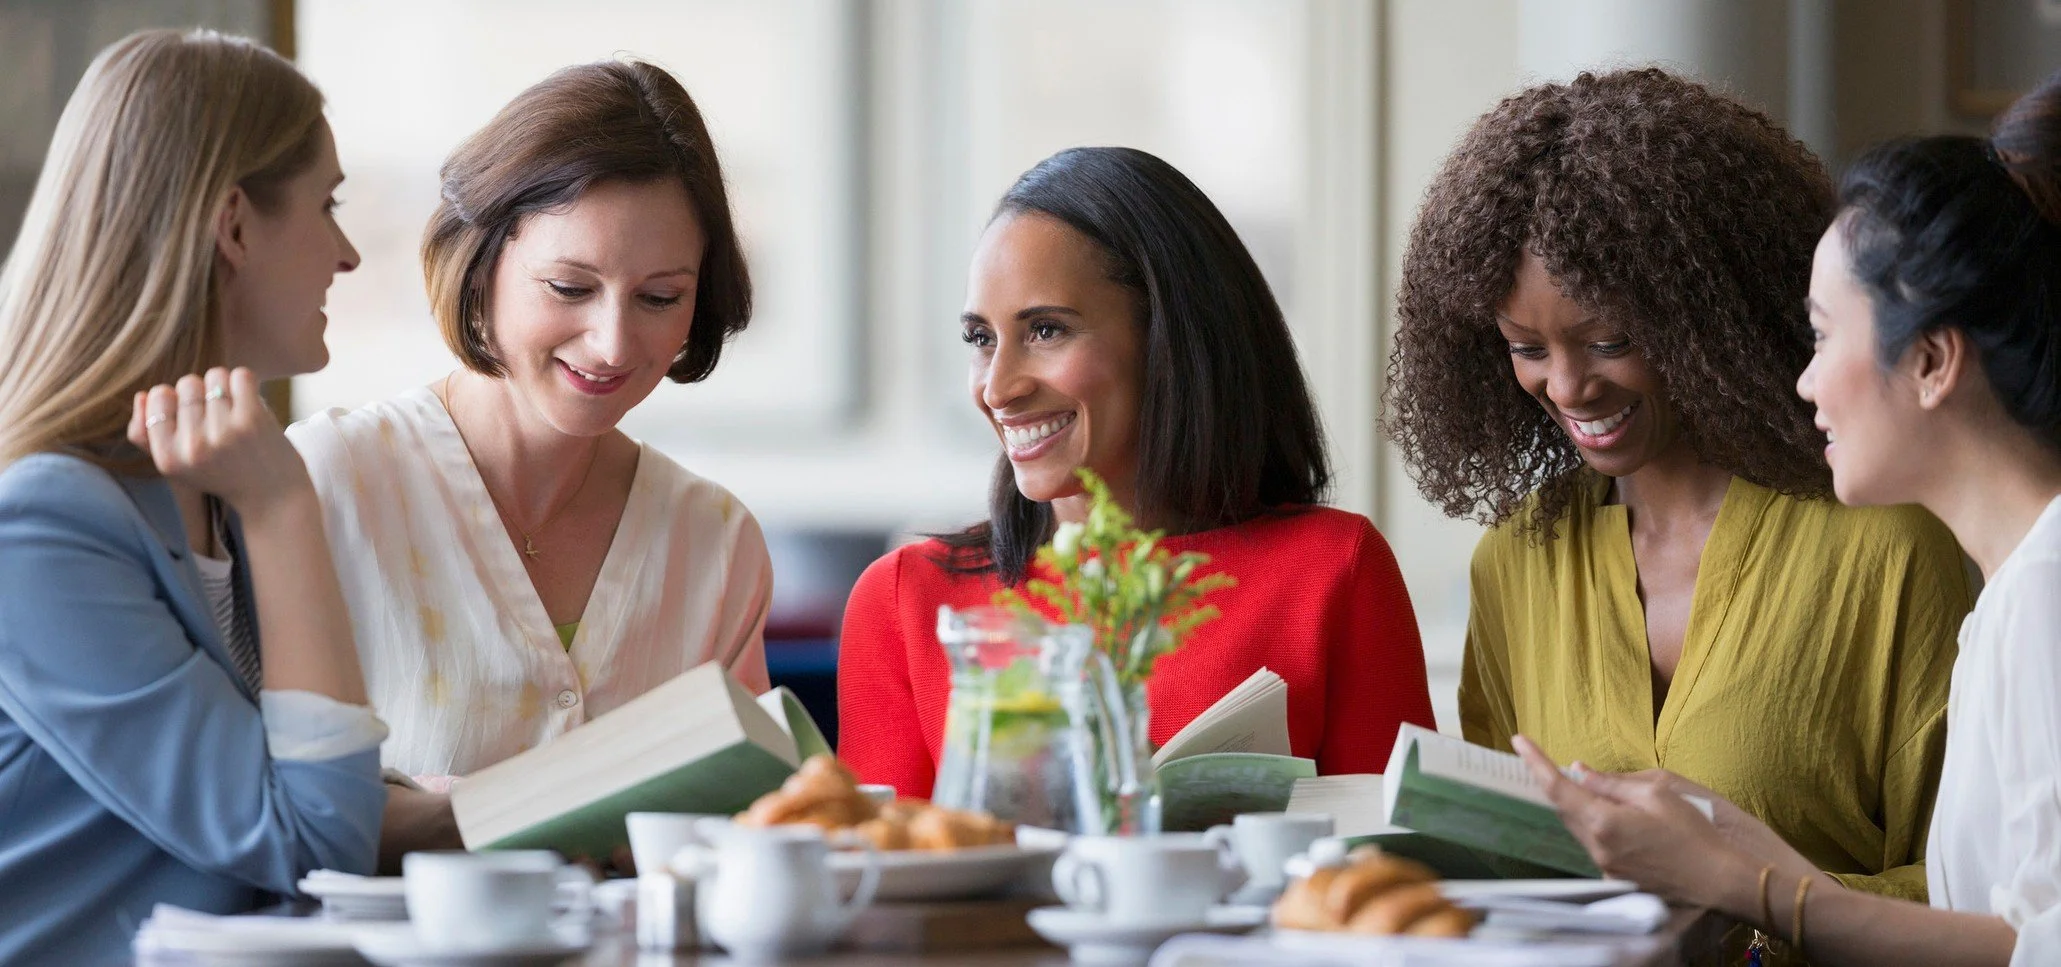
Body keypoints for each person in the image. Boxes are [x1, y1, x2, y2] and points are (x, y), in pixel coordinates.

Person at [1382, 67, 1971, 908]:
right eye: (1526, 348)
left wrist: (1746, 903)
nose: (1569, 386)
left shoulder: (1884, 548)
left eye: (1609, 338)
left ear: (1705, 312)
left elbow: (1973, 892)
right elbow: (1499, 869)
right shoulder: (1514, 564)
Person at [1517, 69, 2061, 967]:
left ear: (1930, 359)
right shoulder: (2012, 595)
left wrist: (1743, 885)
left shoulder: (2044, 593)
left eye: (1820, 333)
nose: (1802, 381)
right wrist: (1722, 832)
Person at [837, 146, 1435, 798]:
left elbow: (1392, 872)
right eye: (981, 338)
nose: (997, 387)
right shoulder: (905, 599)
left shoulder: (1333, 572)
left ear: (1168, 339)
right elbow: (877, 879)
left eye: (1044, 330)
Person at [0, 29, 388, 963]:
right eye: (327, 204)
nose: (347, 254)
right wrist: (285, 510)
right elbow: (309, 840)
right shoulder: (41, 527)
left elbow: (279, 796)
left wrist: (471, 806)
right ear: (235, 225)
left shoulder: (208, 482)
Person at [288, 60, 773, 794]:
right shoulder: (327, 482)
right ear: (481, 266)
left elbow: (746, 823)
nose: (612, 342)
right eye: (570, 287)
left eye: (660, 296)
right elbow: (250, 806)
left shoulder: (713, 541)